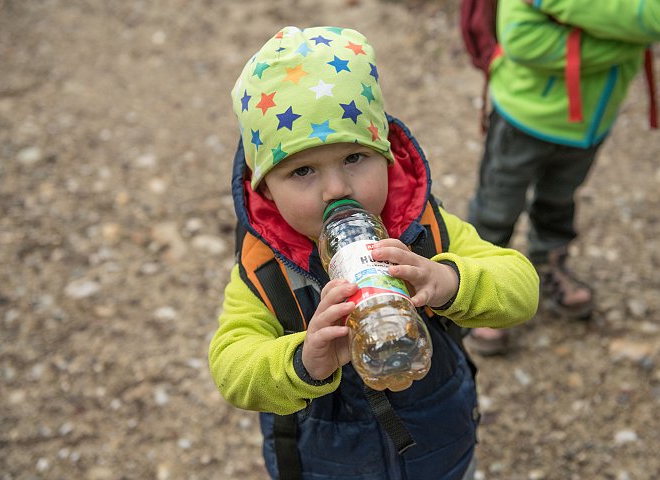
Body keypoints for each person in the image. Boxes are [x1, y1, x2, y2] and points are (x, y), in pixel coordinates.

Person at [208, 26, 539, 480]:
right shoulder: (267, 267)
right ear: (265, 188)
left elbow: (521, 287)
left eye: (354, 158)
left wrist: (448, 281)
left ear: (386, 156)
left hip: (440, 448)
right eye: (302, 171)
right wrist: (303, 361)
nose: (336, 188)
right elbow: (231, 366)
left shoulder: (424, 229)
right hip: (326, 464)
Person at [465, 0, 660, 355]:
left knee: (558, 200)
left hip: (589, 124)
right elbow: (523, 40)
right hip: (523, 116)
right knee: (496, 208)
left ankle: (548, 265)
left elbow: (657, 17)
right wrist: (625, 40)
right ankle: (483, 290)